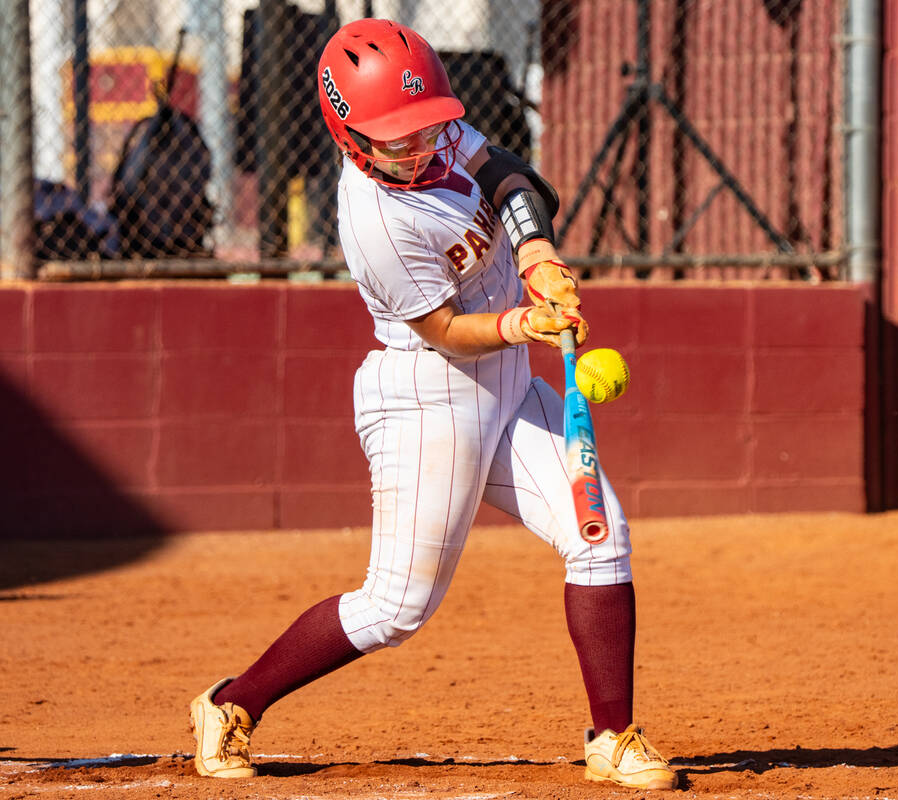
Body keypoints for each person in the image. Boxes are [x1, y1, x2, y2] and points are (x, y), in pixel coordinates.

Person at [187, 19, 677, 791]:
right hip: (429, 396)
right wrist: (526, 319)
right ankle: (231, 703)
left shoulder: (432, 130)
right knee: (396, 606)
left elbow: (508, 171)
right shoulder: (375, 220)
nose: (417, 148)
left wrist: (536, 254)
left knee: (600, 535)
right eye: (394, 140)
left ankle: (612, 736)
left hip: (508, 380)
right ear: (350, 136)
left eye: (425, 129)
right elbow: (445, 330)